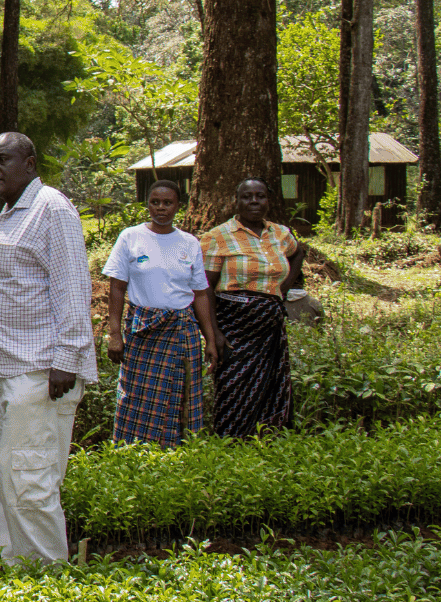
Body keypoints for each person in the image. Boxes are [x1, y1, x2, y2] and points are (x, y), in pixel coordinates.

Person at [0, 133, 96, 565]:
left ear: (31, 164)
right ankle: (17, 566)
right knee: (5, 476)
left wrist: (66, 360)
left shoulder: (50, 209)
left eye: (3, 159)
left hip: (39, 372)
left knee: (30, 479)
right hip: (11, 371)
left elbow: (73, 289)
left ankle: (48, 576)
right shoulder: (10, 214)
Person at [103, 180, 220, 447]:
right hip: (143, 330)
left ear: (179, 206)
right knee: (137, 394)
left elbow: (200, 293)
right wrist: (114, 334)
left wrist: (210, 339)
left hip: (181, 330)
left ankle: (178, 450)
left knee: (181, 393)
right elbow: (117, 288)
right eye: (155, 202)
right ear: (148, 204)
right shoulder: (131, 237)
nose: (161, 208)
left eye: (168, 203)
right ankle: (131, 449)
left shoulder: (189, 243)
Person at [200, 178, 304, 438]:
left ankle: (267, 440)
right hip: (233, 326)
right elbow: (204, 290)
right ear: (237, 201)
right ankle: (230, 442)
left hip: (270, 327)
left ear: (269, 200)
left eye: (260, 196)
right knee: (233, 385)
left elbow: (298, 253)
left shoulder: (281, 234)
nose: (254, 202)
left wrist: (281, 292)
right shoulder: (217, 237)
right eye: (247, 197)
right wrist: (214, 334)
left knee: (272, 384)